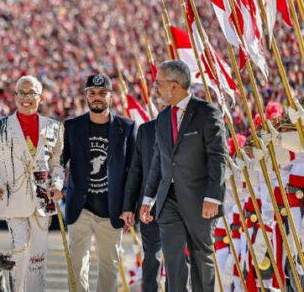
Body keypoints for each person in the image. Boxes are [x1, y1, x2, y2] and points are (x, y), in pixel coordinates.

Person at [0, 75, 64, 292]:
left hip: (43, 202)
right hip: (13, 199)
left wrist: (57, 185)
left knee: (38, 258)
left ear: (41, 97)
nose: (26, 98)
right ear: (14, 97)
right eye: (21, 93)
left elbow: (57, 165)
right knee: (19, 251)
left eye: (31, 93)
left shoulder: (55, 128)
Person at [140, 60, 226, 292]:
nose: (155, 87)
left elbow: (217, 157)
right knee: (173, 258)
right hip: (168, 199)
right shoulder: (163, 117)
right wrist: (148, 199)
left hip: (200, 200)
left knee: (200, 256)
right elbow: (159, 161)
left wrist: (213, 197)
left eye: (159, 83)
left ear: (175, 85)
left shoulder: (208, 113)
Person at [61, 73, 136, 292]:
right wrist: (55, 184)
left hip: (112, 209)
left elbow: (134, 171)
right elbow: (59, 161)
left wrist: (129, 206)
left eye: (102, 93)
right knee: (77, 265)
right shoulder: (72, 127)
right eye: (92, 93)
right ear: (86, 95)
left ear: (111, 96)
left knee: (109, 267)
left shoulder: (127, 127)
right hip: (80, 207)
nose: (97, 97)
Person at [121, 119, 163, 292]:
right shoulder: (146, 130)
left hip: (182, 205)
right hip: (149, 206)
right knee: (152, 258)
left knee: (180, 260)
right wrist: (129, 207)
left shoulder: (193, 124)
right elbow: (136, 170)